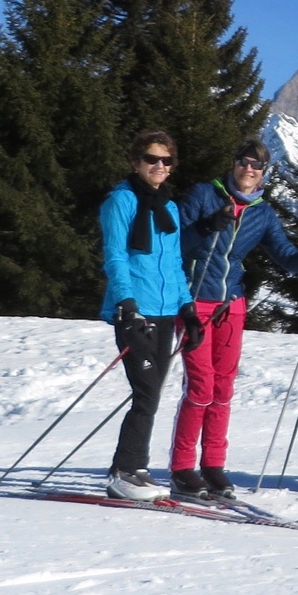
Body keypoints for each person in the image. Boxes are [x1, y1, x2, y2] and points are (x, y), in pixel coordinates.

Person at [172, 139, 298, 500]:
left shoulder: (262, 213)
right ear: (234, 163)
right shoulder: (204, 195)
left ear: (264, 173)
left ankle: (213, 465)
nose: (249, 169)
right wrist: (207, 225)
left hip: (232, 306)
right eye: (244, 162)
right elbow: (172, 244)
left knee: (223, 388)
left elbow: (289, 260)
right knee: (201, 387)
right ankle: (182, 468)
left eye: (257, 165)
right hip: (195, 302)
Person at [98, 130, 201, 501]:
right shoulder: (120, 201)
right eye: (151, 159)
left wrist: (187, 307)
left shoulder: (168, 208)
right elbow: (114, 254)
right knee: (145, 391)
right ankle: (125, 471)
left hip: (166, 312)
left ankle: (133, 467)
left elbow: (174, 262)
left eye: (166, 160)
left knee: (152, 393)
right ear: (136, 161)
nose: (159, 166)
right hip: (135, 311)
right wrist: (126, 301)